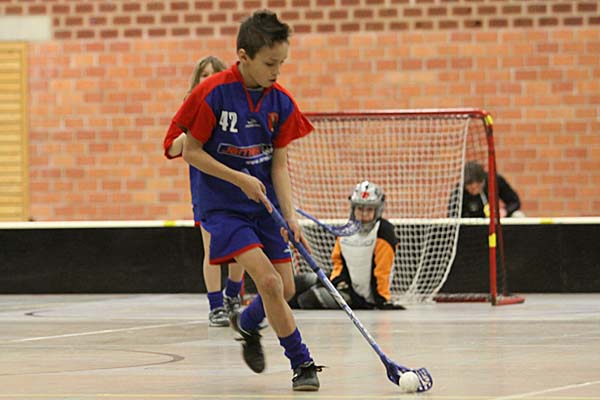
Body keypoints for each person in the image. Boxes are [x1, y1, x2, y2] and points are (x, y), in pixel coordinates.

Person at [165, 10, 321, 391]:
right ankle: (302, 363)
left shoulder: (280, 102)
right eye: (269, 63)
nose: (276, 72)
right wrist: (239, 178)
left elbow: (279, 165)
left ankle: (247, 324)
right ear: (243, 56)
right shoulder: (213, 94)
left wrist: (290, 216)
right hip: (223, 208)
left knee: (284, 289)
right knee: (267, 281)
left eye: (282, 63)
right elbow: (190, 152)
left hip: (264, 207)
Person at [163, 55, 245, 327]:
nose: (209, 79)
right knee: (212, 249)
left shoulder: (234, 108)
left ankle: (233, 296)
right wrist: (193, 129)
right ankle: (215, 306)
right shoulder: (189, 109)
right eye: (204, 75)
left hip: (234, 185)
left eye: (214, 74)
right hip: (206, 190)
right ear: (197, 80)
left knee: (242, 247)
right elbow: (171, 148)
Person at [289, 181, 404, 310]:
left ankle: (280, 305)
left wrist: (382, 300)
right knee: (299, 282)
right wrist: (339, 280)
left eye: (369, 209)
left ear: (378, 210)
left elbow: (383, 270)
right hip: (345, 284)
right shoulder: (347, 230)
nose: (364, 213)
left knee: (306, 299)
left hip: (359, 297)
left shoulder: (383, 232)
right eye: (359, 209)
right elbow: (338, 261)